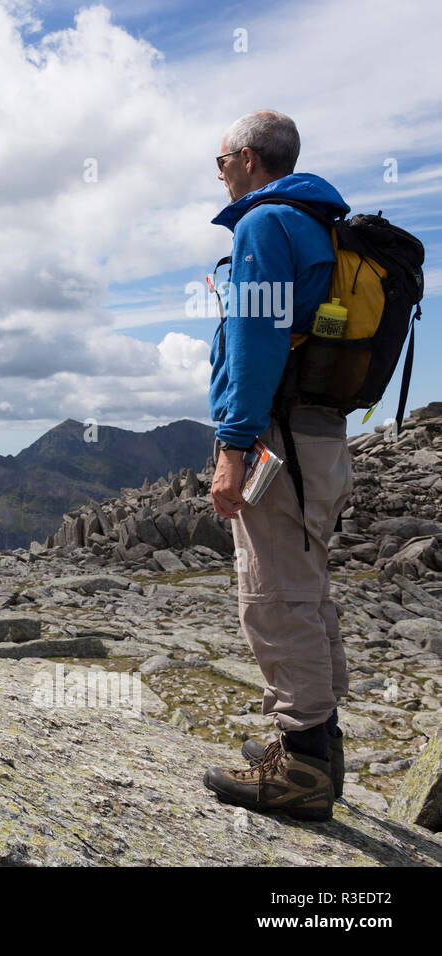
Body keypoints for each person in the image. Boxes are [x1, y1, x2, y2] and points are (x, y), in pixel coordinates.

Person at [201, 110, 352, 821]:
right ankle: (318, 746)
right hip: (319, 440)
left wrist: (233, 447)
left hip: (276, 443)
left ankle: (301, 772)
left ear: (250, 158)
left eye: (223, 158)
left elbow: (259, 342)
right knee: (305, 587)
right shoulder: (316, 223)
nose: (219, 170)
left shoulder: (264, 224)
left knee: (272, 594)